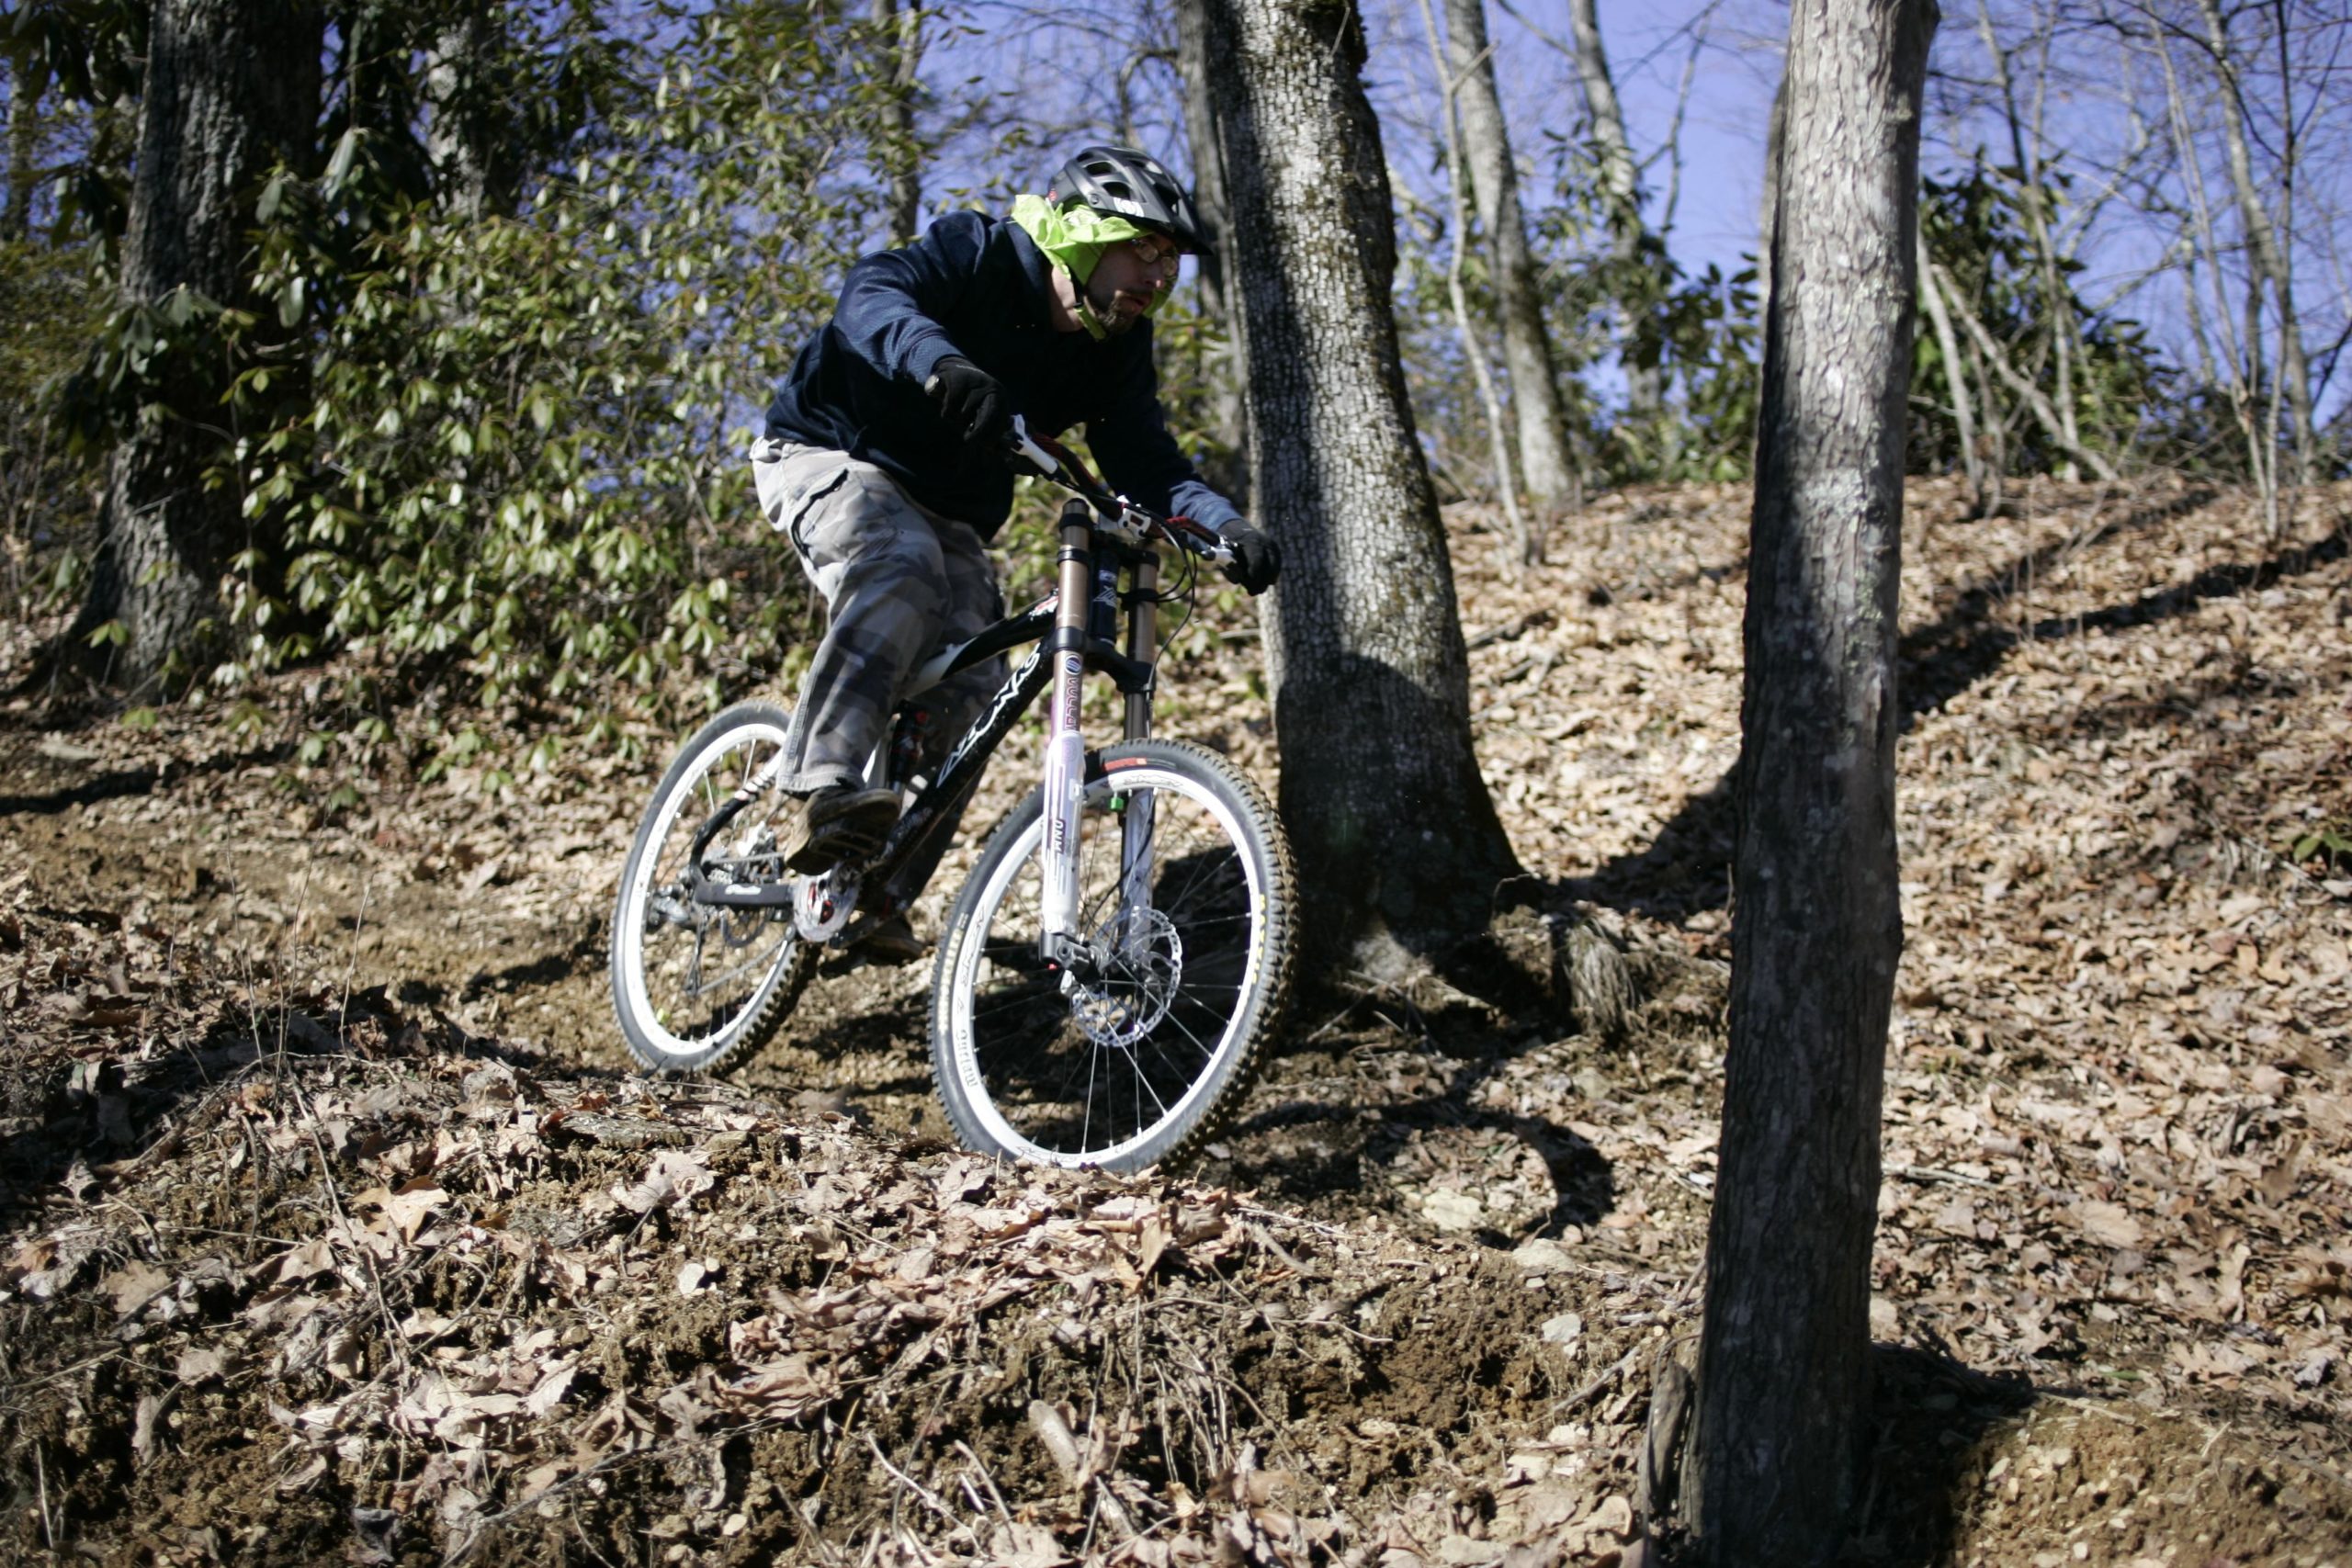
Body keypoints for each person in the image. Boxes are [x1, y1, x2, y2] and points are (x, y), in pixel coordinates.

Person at [750, 144, 1279, 963]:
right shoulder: (981, 252)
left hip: (953, 511)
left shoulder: (1116, 348)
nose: (1158, 277)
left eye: (1169, 260)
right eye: (1142, 250)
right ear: (1080, 234)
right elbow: (871, 292)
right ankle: (823, 785)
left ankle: (879, 885)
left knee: (977, 680)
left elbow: (1146, 461)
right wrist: (943, 362)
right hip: (830, 451)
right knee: (897, 570)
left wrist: (1223, 527)